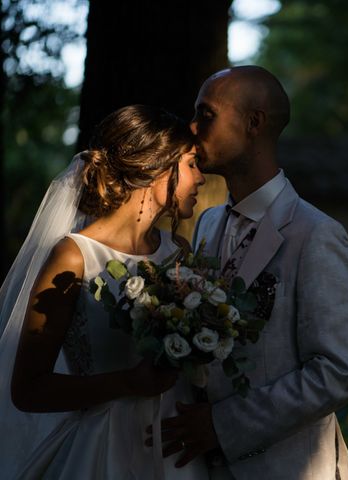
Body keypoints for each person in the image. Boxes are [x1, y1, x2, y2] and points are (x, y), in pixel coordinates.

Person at [153, 66, 348, 479]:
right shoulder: (208, 224)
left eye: (206, 114)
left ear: (254, 123)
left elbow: (338, 371)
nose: (192, 127)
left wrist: (222, 424)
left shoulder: (316, 234)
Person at [0, 104, 208, 479]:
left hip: (175, 452)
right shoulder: (73, 257)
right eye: (192, 164)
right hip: (103, 451)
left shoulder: (179, 255)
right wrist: (127, 383)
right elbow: (28, 389)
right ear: (156, 168)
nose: (202, 178)